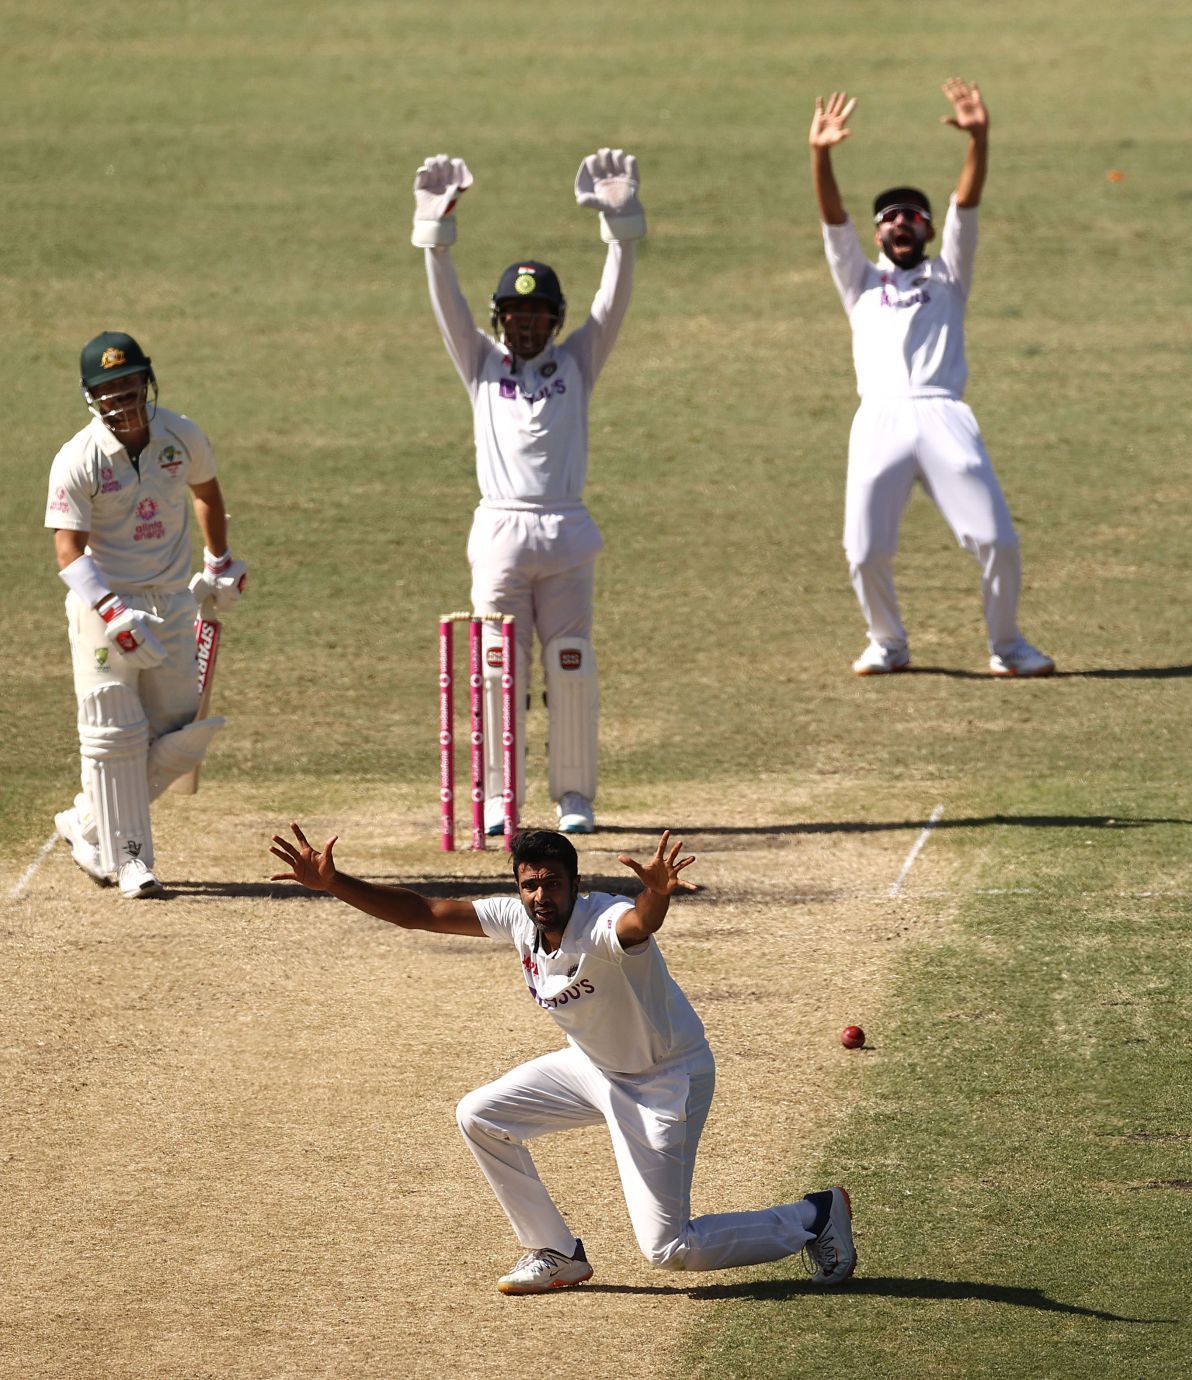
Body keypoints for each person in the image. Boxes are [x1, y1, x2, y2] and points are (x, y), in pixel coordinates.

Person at [267, 823, 857, 1293]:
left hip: (663, 1080)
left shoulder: (600, 922)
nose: (540, 896)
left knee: (669, 1250)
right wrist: (336, 883)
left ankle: (813, 1216)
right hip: (594, 1068)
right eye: (529, 884)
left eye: (551, 883)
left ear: (574, 884)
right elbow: (423, 911)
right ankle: (556, 1252)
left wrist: (656, 893)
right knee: (480, 1114)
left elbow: (638, 921)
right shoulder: (519, 920)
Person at [411, 147, 649, 834]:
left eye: (538, 313)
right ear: (499, 318)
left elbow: (615, 301)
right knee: (496, 671)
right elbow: (447, 307)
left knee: (570, 667)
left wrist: (621, 226)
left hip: (567, 530)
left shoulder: (578, 360)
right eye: (515, 313)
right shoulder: (481, 364)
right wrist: (435, 234)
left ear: (554, 317)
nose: (525, 322)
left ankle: (574, 797)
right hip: (501, 535)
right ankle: (496, 800)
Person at [809, 80, 1054, 677]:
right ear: (878, 234)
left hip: (944, 413)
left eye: (912, 219)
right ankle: (887, 643)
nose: (900, 225)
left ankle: (1008, 645)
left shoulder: (949, 276)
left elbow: (966, 206)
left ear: (927, 231)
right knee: (863, 550)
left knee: (997, 541)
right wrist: (820, 154)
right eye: (889, 219)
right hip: (880, 417)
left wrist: (980, 138)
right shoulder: (861, 283)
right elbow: (833, 221)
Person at [45, 332, 246, 897]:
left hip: (170, 600)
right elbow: (68, 550)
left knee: (181, 735)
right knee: (115, 733)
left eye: (129, 382)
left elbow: (206, 491)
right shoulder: (78, 458)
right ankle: (131, 860)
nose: (122, 396)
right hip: (102, 605)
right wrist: (112, 610)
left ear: (146, 380)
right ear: (92, 396)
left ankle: (86, 823)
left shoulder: (179, 434)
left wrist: (221, 561)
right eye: (109, 388)